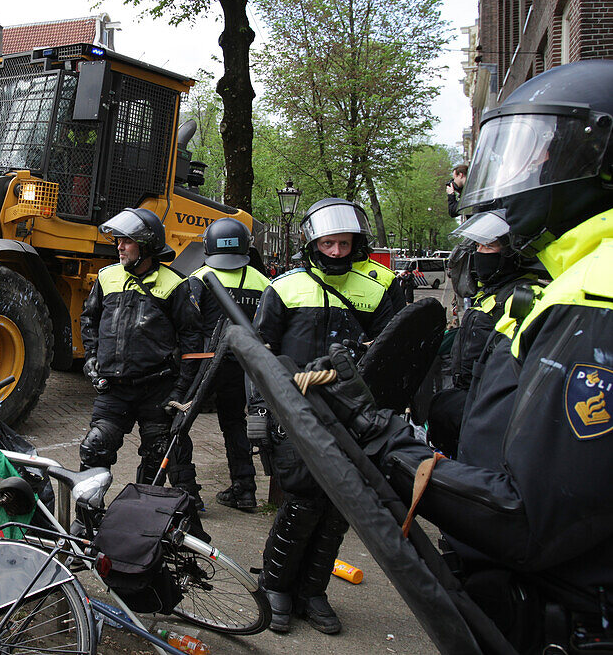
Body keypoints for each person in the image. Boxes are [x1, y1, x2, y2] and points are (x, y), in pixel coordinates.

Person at [309, 60, 613, 652]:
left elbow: (529, 518)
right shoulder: (562, 277)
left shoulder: (596, 296)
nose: (520, 171)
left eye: (540, 152)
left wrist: (380, 435)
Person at [253, 197, 403, 635]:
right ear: (312, 242)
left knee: (340, 505)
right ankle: (277, 587)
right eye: (328, 243)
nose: (336, 252)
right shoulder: (284, 287)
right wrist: (259, 411)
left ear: (357, 242)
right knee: (300, 499)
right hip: (296, 410)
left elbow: (392, 352)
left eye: (344, 243)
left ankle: (312, 591)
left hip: (353, 415)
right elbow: (260, 354)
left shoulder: (381, 286)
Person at [79, 207, 205, 510]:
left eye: (127, 241)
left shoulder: (175, 283)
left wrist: (180, 392)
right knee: (94, 448)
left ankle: (142, 526)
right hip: (114, 390)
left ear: (146, 245)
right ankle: (85, 525)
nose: (120, 247)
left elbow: (192, 340)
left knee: (159, 459)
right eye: (118, 241)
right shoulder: (107, 277)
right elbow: (89, 319)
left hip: (157, 391)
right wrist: (92, 357)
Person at [427, 211, 545, 457]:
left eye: (488, 246)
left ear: (516, 253)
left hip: (489, 414)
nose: (479, 253)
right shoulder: (490, 292)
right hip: (469, 401)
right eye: (478, 245)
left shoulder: (525, 297)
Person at [187, 218, 270, 511]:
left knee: (180, 424)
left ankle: (189, 495)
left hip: (203, 365)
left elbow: (189, 326)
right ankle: (245, 489)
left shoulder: (198, 277)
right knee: (235, 424)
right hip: (243, 366)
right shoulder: (264, 283)